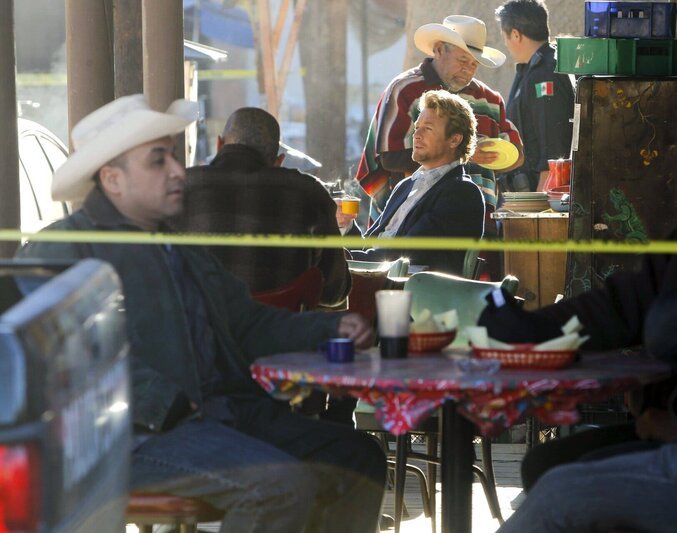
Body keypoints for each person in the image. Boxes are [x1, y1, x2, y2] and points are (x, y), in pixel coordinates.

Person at [16, 94, 386, 533]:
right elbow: (50, 361)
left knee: (358, 457)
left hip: (220, 414)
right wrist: (165, 402)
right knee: (277, 487)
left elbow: (247, 322)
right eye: (158, 162)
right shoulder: (63, 248)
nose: (177, 171)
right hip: (131, 437)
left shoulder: (174, 243)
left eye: (172, 157)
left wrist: (331, 326)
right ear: (113, 179)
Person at [495, 89, 677, 532]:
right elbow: (629, 300)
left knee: (560, 492)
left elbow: (667, 327)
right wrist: (530, 326)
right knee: (552, 464)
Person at [177, 107, 351, 307]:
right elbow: (334, 292)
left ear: (219, 145)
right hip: (279, 335)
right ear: (279, 161)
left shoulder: (179, 187)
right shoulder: (308, 193)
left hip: (198, 335)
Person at [355, 14, 523, 220]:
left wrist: (496, 156)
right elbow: (390, 157)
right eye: (462, 60)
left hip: (475, 218)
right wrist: (465, 153)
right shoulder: (405, 90)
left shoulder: (489, 99)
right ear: (439, 50)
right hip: (412, 215)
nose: (468, 70)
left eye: (474, 64)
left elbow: (517, 154)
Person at [352, 89, 485, 275]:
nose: (416, 135)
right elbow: (370, 241)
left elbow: (409, 251)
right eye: (417, 127)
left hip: (413, 289)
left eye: (427, 128)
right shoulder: (405, 186)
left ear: (454, 139)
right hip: (375, 276)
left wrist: (349, 258)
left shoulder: (461, 192)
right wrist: (346, 227)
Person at [495, 0, 575, 192]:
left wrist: (541, 201)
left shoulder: (545, 73)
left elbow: (553, 144)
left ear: (515, 34)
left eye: (505, 37)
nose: (506, 44)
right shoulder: (530, 69)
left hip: (543, 190)